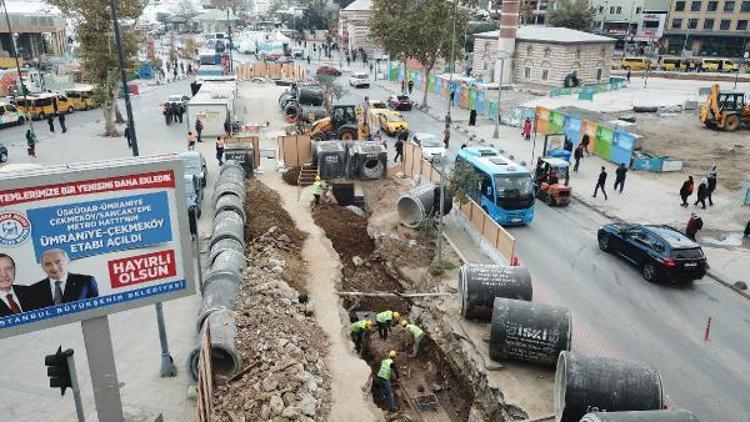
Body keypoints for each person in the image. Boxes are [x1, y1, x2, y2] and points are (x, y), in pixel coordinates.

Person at [31, 249, 99, 307]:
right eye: (48, 264)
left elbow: (96, 309)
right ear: (42, 267)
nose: (54, 267)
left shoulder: (86, 282)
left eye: (58, 262)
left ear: (67, 261)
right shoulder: (34, 290)